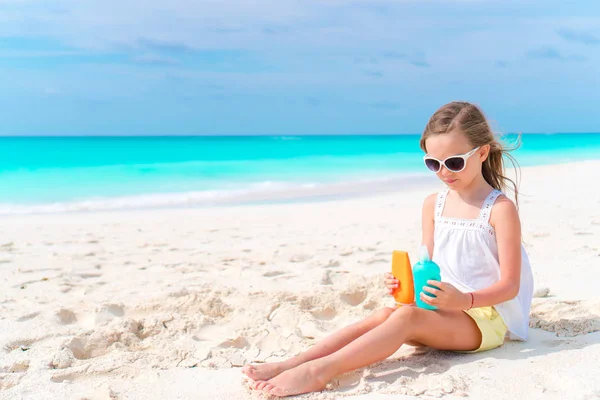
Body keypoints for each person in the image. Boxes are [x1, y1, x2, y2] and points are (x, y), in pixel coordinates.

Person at [242, 101, 534, 397]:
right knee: (386, 313)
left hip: (484, 320)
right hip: (440, 308)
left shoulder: (499, 209)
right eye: (433, 163)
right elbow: (427, 265)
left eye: (454, 162)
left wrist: (464, 299)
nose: (444, 172)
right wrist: (403, 285)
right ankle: (294, 363)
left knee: (406, 319)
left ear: (482, 152)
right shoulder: (434, 204)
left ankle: (318, 372)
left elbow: (510, 286)